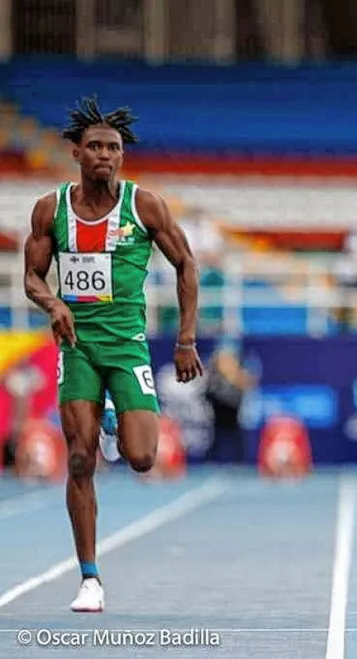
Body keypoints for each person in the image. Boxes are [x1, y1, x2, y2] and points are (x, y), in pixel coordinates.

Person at [22, 96, 204, 613]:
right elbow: (32, 276)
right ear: (77, 153)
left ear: (122, 156)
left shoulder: (144, 206)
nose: (106, 155)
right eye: (96, 147)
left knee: (143, 458)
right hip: (77, 346)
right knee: (79, 459)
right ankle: (90, 578)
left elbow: (187, 265)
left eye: (114, 148)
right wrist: (53, 301)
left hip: (127, 347)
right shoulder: (49, 210)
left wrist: (185, 339)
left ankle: (111, 421)